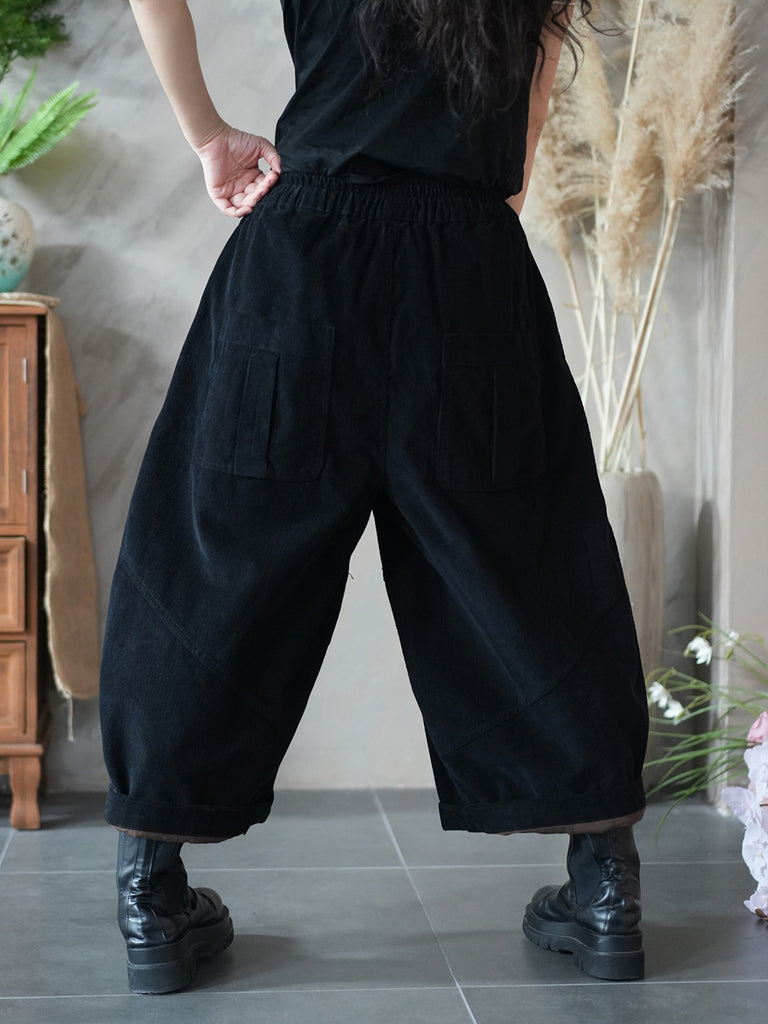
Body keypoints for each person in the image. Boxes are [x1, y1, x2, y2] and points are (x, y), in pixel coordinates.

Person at [100, 0, 649, 995]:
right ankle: (605, 888)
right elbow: (533, 90)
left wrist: (209, 135)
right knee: (532, 558)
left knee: (213, 559)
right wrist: (477, 194)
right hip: (470, 261)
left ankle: (152, 891)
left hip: (304, 256)